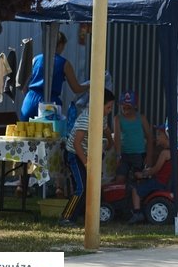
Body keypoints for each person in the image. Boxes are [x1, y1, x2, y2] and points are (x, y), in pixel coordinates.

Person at [59, 88, 116, 227]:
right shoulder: (87, 119)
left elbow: (105, 128)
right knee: (82, 187)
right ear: (99, 104)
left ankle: (80, 215)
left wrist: (110, 141)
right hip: (74, 155)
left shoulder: (100, 116)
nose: (109, 110)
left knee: (88, 186)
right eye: (108, 107)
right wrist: (86, 163)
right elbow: (76, 143)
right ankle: (66, 218)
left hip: (84, 155)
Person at [20, 31, 88, 120]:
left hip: (29, 101)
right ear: (60, 45)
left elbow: (24, 87)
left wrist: (30, 99)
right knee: (50, 133)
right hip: (49, 104)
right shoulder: (65, 64)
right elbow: (76, 88)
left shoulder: (35, 59)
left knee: (24, 132)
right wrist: (89, 85)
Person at [128, 126, 171, 224]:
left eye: (159, 134)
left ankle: (137, 213)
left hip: (159, 182)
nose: (157, 137)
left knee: (135, 190)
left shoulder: (165, 153)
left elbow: (156, 169)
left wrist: (143, 174)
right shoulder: (174, 152)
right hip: (164, 181)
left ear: (167, 137)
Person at [113, 90, 153, 183]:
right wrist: (118, 156)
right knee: (120, 179)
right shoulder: (117, 119)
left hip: (139, 155)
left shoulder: (141, 118)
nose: (125, 108)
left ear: (135, 106)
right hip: (124, 155)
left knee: (138, 179)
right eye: (123, 105)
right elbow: (117, 138)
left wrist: (149, 156)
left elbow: (150, 137)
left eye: (128, 106)